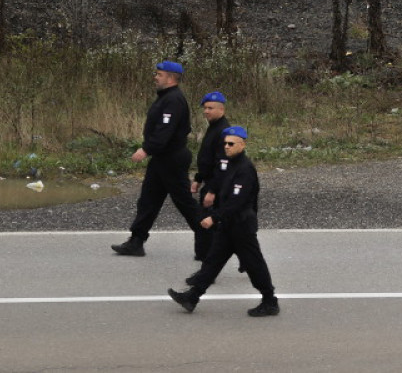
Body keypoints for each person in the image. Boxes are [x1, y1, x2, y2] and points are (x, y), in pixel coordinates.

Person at [169, 126, 280, 317]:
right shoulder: (230, 164)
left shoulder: (245, 169)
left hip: (242, 226)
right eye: (225, 144)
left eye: (231, 144)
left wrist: (214, 217)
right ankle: (192, 297)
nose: (227, 147)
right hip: (229, 225)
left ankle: (270, 301)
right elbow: (220, 184)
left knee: (254, 265)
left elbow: (238, 202)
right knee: (213, 260)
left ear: (242, 145)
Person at [112, 61, 203, 257]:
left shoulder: (174, 100)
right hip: (162, 159)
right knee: (148, 200)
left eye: (159, 74)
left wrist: (146, 150)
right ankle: (136, 241)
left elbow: (165, 131)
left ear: (170, 78)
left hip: (172, 159)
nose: (155, 77)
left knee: (184, 202)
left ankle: (209, 239)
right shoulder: (165, 98)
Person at [190, 91, 230, 262]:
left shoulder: (223, 131)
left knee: (209, 223)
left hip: (218, 185)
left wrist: (212, 191)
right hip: (209, 181)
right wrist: (198, 178)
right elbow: (207, 157)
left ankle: (208, 258)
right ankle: (203, 254)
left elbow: (223, 165)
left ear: (221, 109)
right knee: (206, 222)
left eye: (210, 108)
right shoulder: (213, 127)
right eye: (205, 108)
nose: (206, 111)